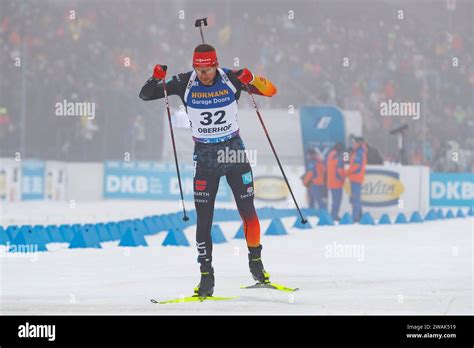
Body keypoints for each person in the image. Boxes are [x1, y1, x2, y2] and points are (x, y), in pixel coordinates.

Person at [139, 43, 277, 296]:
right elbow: (146, 95)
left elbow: (271, 91)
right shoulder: (183, 82)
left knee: (247, 210)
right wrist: (156, 77)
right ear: (194, 66)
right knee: (204, 219)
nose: (204, 75)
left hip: (233, 151)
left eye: (208, 69)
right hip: (205, 157)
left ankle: (256, 264)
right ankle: (206, 277)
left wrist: (252, 78)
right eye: (199, 70)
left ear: (216, 64)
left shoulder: (232, 78)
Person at [345, 137, 367, 222]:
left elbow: (355, 166)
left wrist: (346, 172)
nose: (354, 145)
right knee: (356, 198)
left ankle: (355, 218)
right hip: (356, 178)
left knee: (355, 199)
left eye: (355, 143)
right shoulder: (358, 152)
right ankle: (358, 216)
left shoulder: (359, 153)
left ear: (359, 143)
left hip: (356, 178)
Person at [326, 143, 345, 220]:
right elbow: (340, 170)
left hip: (330, 182)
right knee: (337, 200)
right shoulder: (339, 157)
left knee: (334, 201)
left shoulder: (330, 156)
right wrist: (343, 178)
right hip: (337, 183)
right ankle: (334, 216)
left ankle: (333, 215)